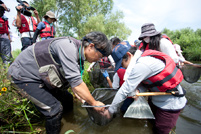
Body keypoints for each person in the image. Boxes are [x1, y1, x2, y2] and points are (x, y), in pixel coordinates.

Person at [8, 31, 112, 134]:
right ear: (91, 46)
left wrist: (84, 99)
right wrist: (94, 103)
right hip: (23, 76)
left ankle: (69, 125)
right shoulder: (68, 47)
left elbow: (73, 83)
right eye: (100, 55)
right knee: (54, 110)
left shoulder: (79, 56)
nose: (99, 59)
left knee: (68, 99)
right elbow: (77, 84)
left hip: (41, 77)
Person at [102, 42, 187, 134]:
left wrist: (110, 111)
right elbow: (145, 82)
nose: (123, 67)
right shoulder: (139, 60)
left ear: (129, 55)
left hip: (170, 102)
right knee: (152, 124)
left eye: (122, 64)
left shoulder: (142, 64)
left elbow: (124, 89)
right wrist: (139, 90)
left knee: (161, 130)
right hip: (156, 98)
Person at [0, 1, 12, 65]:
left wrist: (5, 7)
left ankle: (7, 72)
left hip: (4, 38)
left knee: (7, 58)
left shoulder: (4, 18)